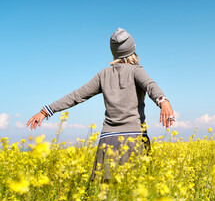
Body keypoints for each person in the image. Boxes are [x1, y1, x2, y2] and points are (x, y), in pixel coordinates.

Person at [27, 27, 175, 181]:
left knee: (107, 199)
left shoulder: (103, 75)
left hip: (108, 142)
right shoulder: (136, 70)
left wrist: (46, 111)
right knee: (136, 197)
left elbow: (76, 95)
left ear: (113, 52)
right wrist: (163, 102)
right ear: (133, 49)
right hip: (134, 139)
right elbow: (151, 86)